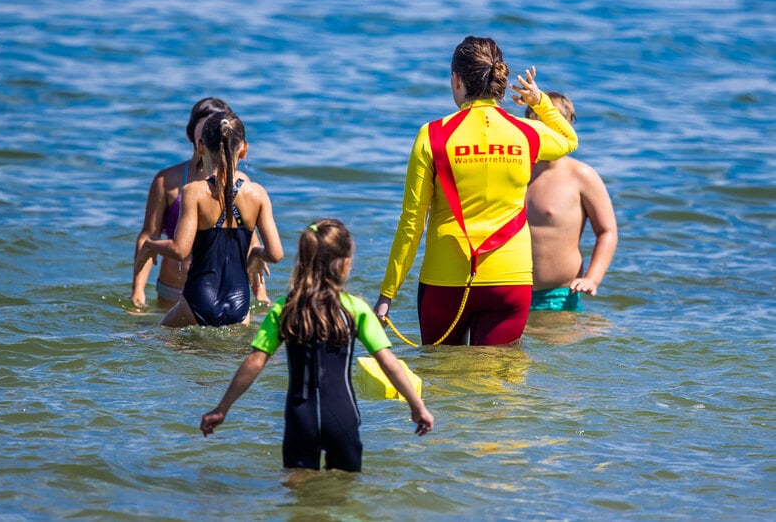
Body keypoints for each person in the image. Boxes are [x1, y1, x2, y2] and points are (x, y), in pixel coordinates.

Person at [373, 36, 579, 346]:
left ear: (457, 80)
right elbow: (569, 140)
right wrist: (540, 102)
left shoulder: (433, 135)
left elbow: (412, 223)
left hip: (446, 281)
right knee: (497, 384)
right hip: (510, 281)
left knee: (442, 381)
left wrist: (388, 292)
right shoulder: (526, 133)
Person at [200, 219, 433, 472]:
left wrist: (221, 409)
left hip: (301, 418)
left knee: (298, 492)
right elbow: (387, 362)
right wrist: (417, 406)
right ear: (345, 264)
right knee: (345, 491)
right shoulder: (354, 309)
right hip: (342, 416)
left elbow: (255, 362)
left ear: (304, 261)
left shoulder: (285, 308)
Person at [137, 110, 283, 327]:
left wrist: (150, 244)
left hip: (198, 300)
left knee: (154, 338)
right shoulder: (258, 194)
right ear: (243, 149)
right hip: (240, 304)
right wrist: (256, 254)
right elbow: (276, 254)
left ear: (201, 146)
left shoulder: (193, 192)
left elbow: (180, 250)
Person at [524, 92, 618, 311]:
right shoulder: (515, 170)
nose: (544, 131)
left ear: (566, 127)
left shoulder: (581, 175)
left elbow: (607, 231)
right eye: (536, 123)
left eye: (550, 123)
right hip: (509, 290)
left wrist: (592, 278)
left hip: (560, 296)